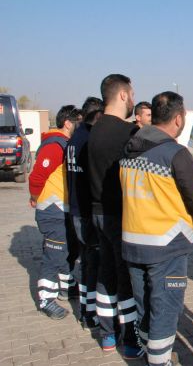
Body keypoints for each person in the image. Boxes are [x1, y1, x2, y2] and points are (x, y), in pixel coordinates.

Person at [120, 91, 193, 366]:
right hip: (167, 246)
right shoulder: (176, 154)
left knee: (144, 306)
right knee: (165, 308)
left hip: (133, 242)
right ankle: (159, 360)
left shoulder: (129, 148)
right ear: (178, 119)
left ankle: (147, 350)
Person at [87, 74, 142, 358]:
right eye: (132, 94)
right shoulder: (127, 133)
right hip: (120, 216)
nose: (133, 99)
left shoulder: (93, 130)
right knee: (125, 278)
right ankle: (131, 340)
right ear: (122, 95)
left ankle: (107, 335)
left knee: (105, 273)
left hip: (97, 213)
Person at [29, 105, 82, 319]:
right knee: (54, 254)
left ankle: (66, 286)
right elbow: (37, 177)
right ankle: (46, 298)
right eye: (78, 121)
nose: (80, 125)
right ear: (68, 123)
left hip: (62, 208)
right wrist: (35, 198)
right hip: (52, 210)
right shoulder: (54, 146)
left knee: (66, 250)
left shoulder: (65, 144)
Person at [65, 96, 104, 329]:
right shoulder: (89, 140)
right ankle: (90, 313)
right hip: (87, 211)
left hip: (76, 209)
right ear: (98, 115)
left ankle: (86, 309)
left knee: (87, 261)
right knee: (93, 262)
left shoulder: (73, 139)